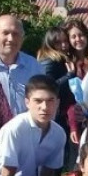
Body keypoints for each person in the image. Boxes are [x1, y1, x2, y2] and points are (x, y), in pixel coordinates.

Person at [35, 26, 84, 160]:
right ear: (49, 43)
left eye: (65, 41)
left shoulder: (60, 59)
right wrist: (69, 75)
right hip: (54, 115)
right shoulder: (50, 60)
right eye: (58, 42)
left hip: (59, 113)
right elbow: (46, 87)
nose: (63, 45)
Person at [0, 14, 42, 116]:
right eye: (5, 33)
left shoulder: (34, 67)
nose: (11, 39)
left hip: (24, 130)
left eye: (15, 34)